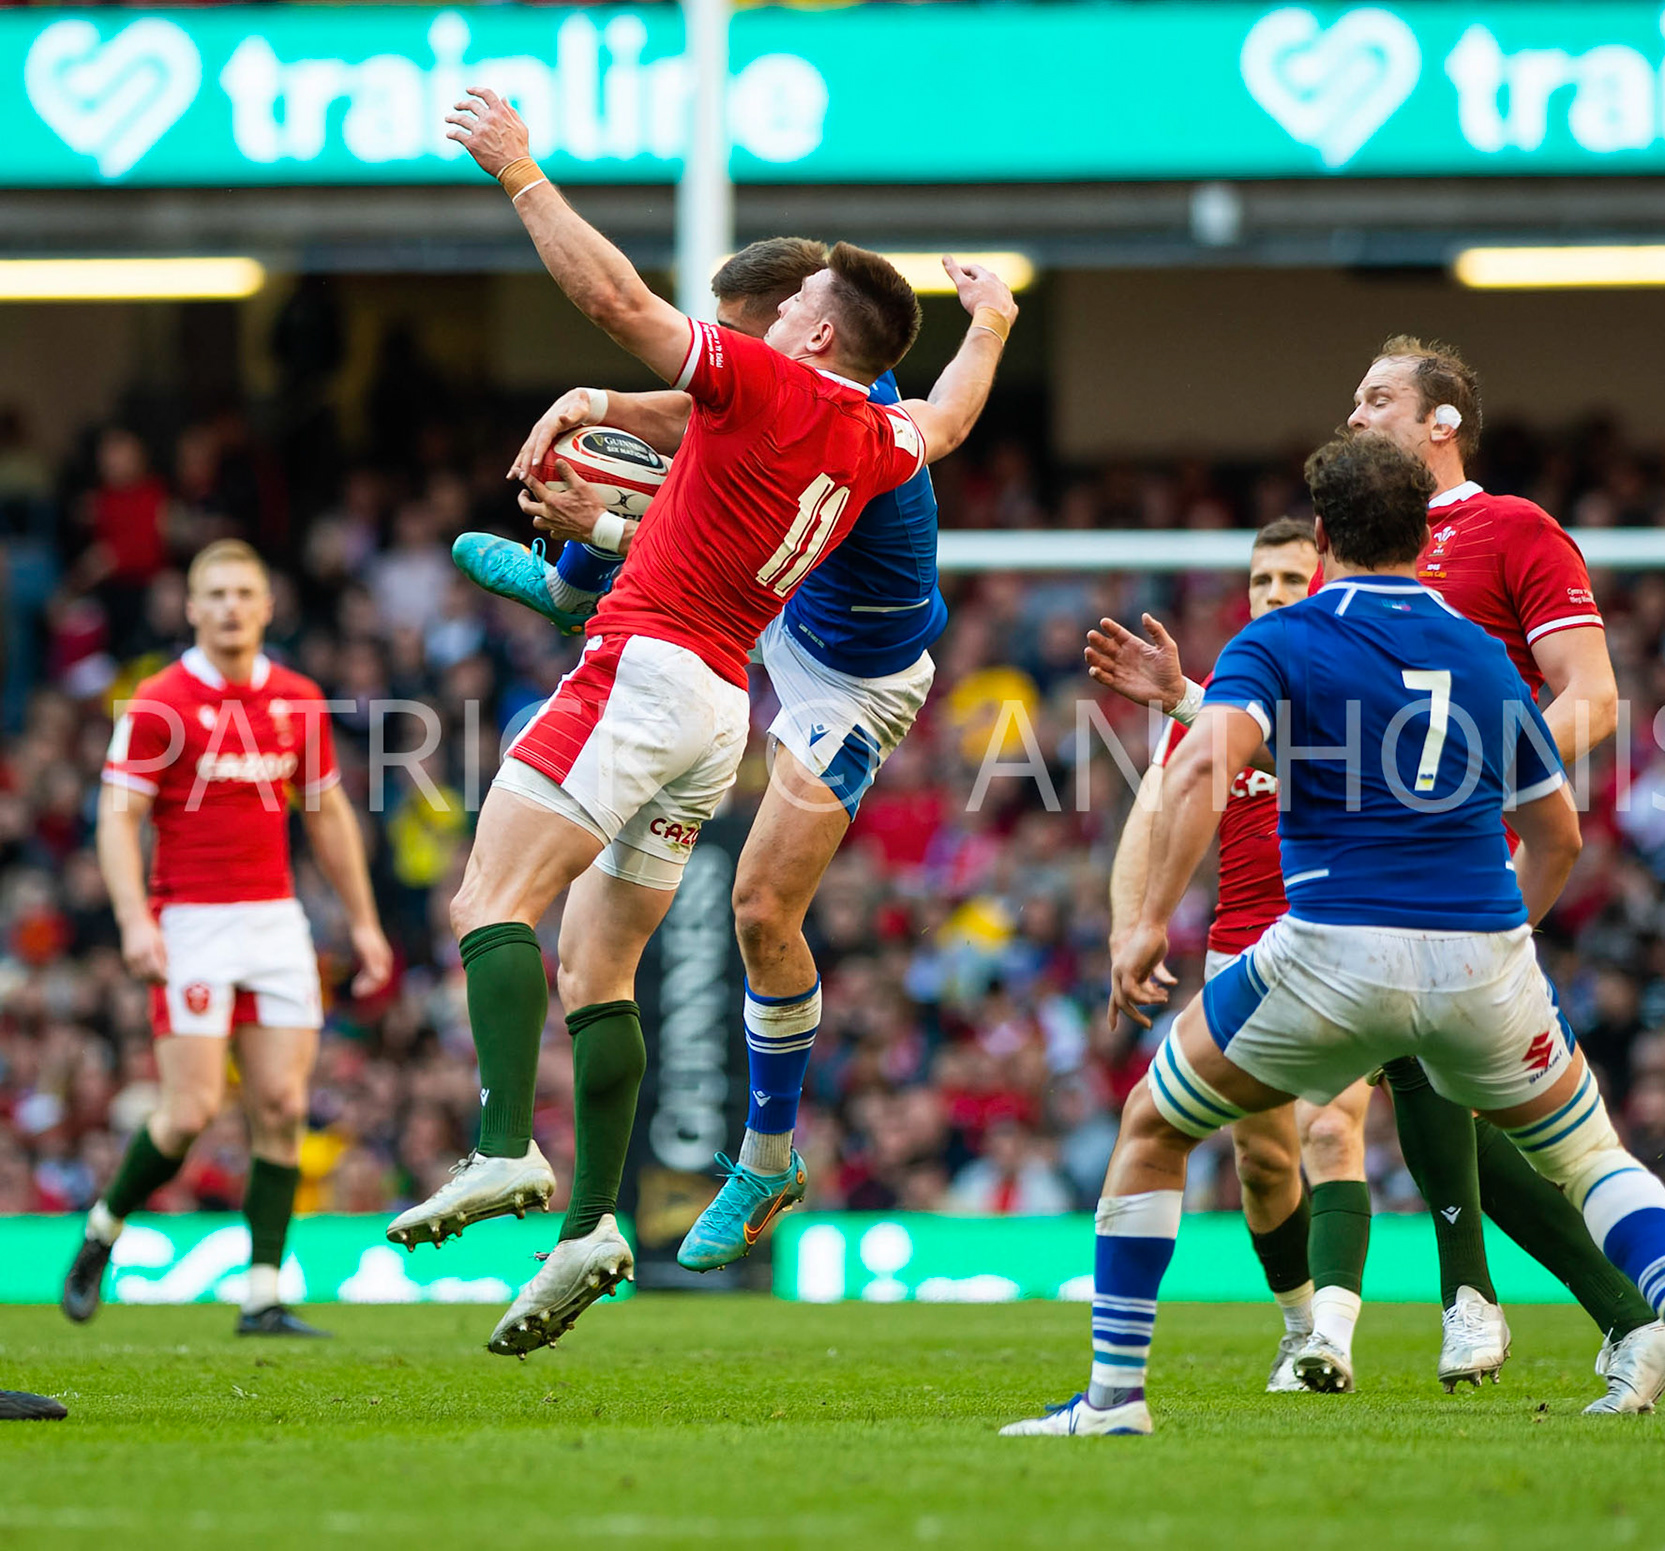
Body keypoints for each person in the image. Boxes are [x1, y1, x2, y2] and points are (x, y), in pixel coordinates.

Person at [1003, 435, 1665, 1444]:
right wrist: (1510, 934)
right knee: (1592, 1152)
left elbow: (1204, 773)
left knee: (1155, 1128)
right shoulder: (1481, 653)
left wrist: (1148, 919)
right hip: (1483, 950)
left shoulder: (1281, 640)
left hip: (1333, 950)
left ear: (1324, 537)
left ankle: (1115, 1400)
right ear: (1427, 538)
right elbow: (1560, 834)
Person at [385, 88, 1012, 1357]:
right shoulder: (884, 430)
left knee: (487, 906)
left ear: (820, 331)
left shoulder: (778, 382)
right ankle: (599, 1227)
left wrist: (520, 173)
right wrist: (989, 321)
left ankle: (506, 1150)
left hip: (726, 666)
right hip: (724, 687)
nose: (763, 321)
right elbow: (946, 416)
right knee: (597, 971)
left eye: (784, 311)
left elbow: (619, 303)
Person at [1087, 335, 1665, 1412]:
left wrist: (1471, 794)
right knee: (1452, 1090)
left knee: (1370, 1096)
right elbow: (1296, 723)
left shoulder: (1514, 531)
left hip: (1460, 861)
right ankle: (1583, 1311)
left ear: (1442, 422)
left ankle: (1473, 1306)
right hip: (1376, 876)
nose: (1354, 415)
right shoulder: (1346, 565)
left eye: (1377, 399)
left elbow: (1590, 694)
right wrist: (1186, 702)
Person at [451, 236, 950, 1272]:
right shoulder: (846, 389)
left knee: (761, 911)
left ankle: (766, 1156)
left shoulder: (830, 423)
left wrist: (609, 514)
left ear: (794, 330)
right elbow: (710, 444)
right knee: (649, 494)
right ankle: (574, 580)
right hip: (753, 627)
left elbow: (723, 545)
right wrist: (606, 405)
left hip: (845, 677)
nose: (723, 345)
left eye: (734, 327)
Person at [62, 539, 391, 1338]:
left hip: (275, 919)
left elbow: (328, 813)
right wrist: (136, 918)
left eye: (245, 591)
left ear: (268, 605)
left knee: (281, 1104)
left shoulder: (297, 698)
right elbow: (117, 818)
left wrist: (364, 922)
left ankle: (263, 1294)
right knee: (192, 1109)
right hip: (191, 921)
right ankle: (101, 1232)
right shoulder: (157, 703)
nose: (231, 606)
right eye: (216, 593)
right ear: (191, 607)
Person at [1102, 517, 1381, 1393]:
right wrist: (1129, 930)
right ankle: (1301, 1328)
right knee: (1262, 1162)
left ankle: (1335, 1335)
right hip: (1241, 952)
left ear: (1327, 582)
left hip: (1344, 937)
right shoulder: (1234, 688)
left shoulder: (1360, 672)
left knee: (1333, 1125)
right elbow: (1154, 813)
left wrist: (1184, 694)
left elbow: (1325, 764)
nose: (1273, 597)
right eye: (1261, 583)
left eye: (1291, 579)